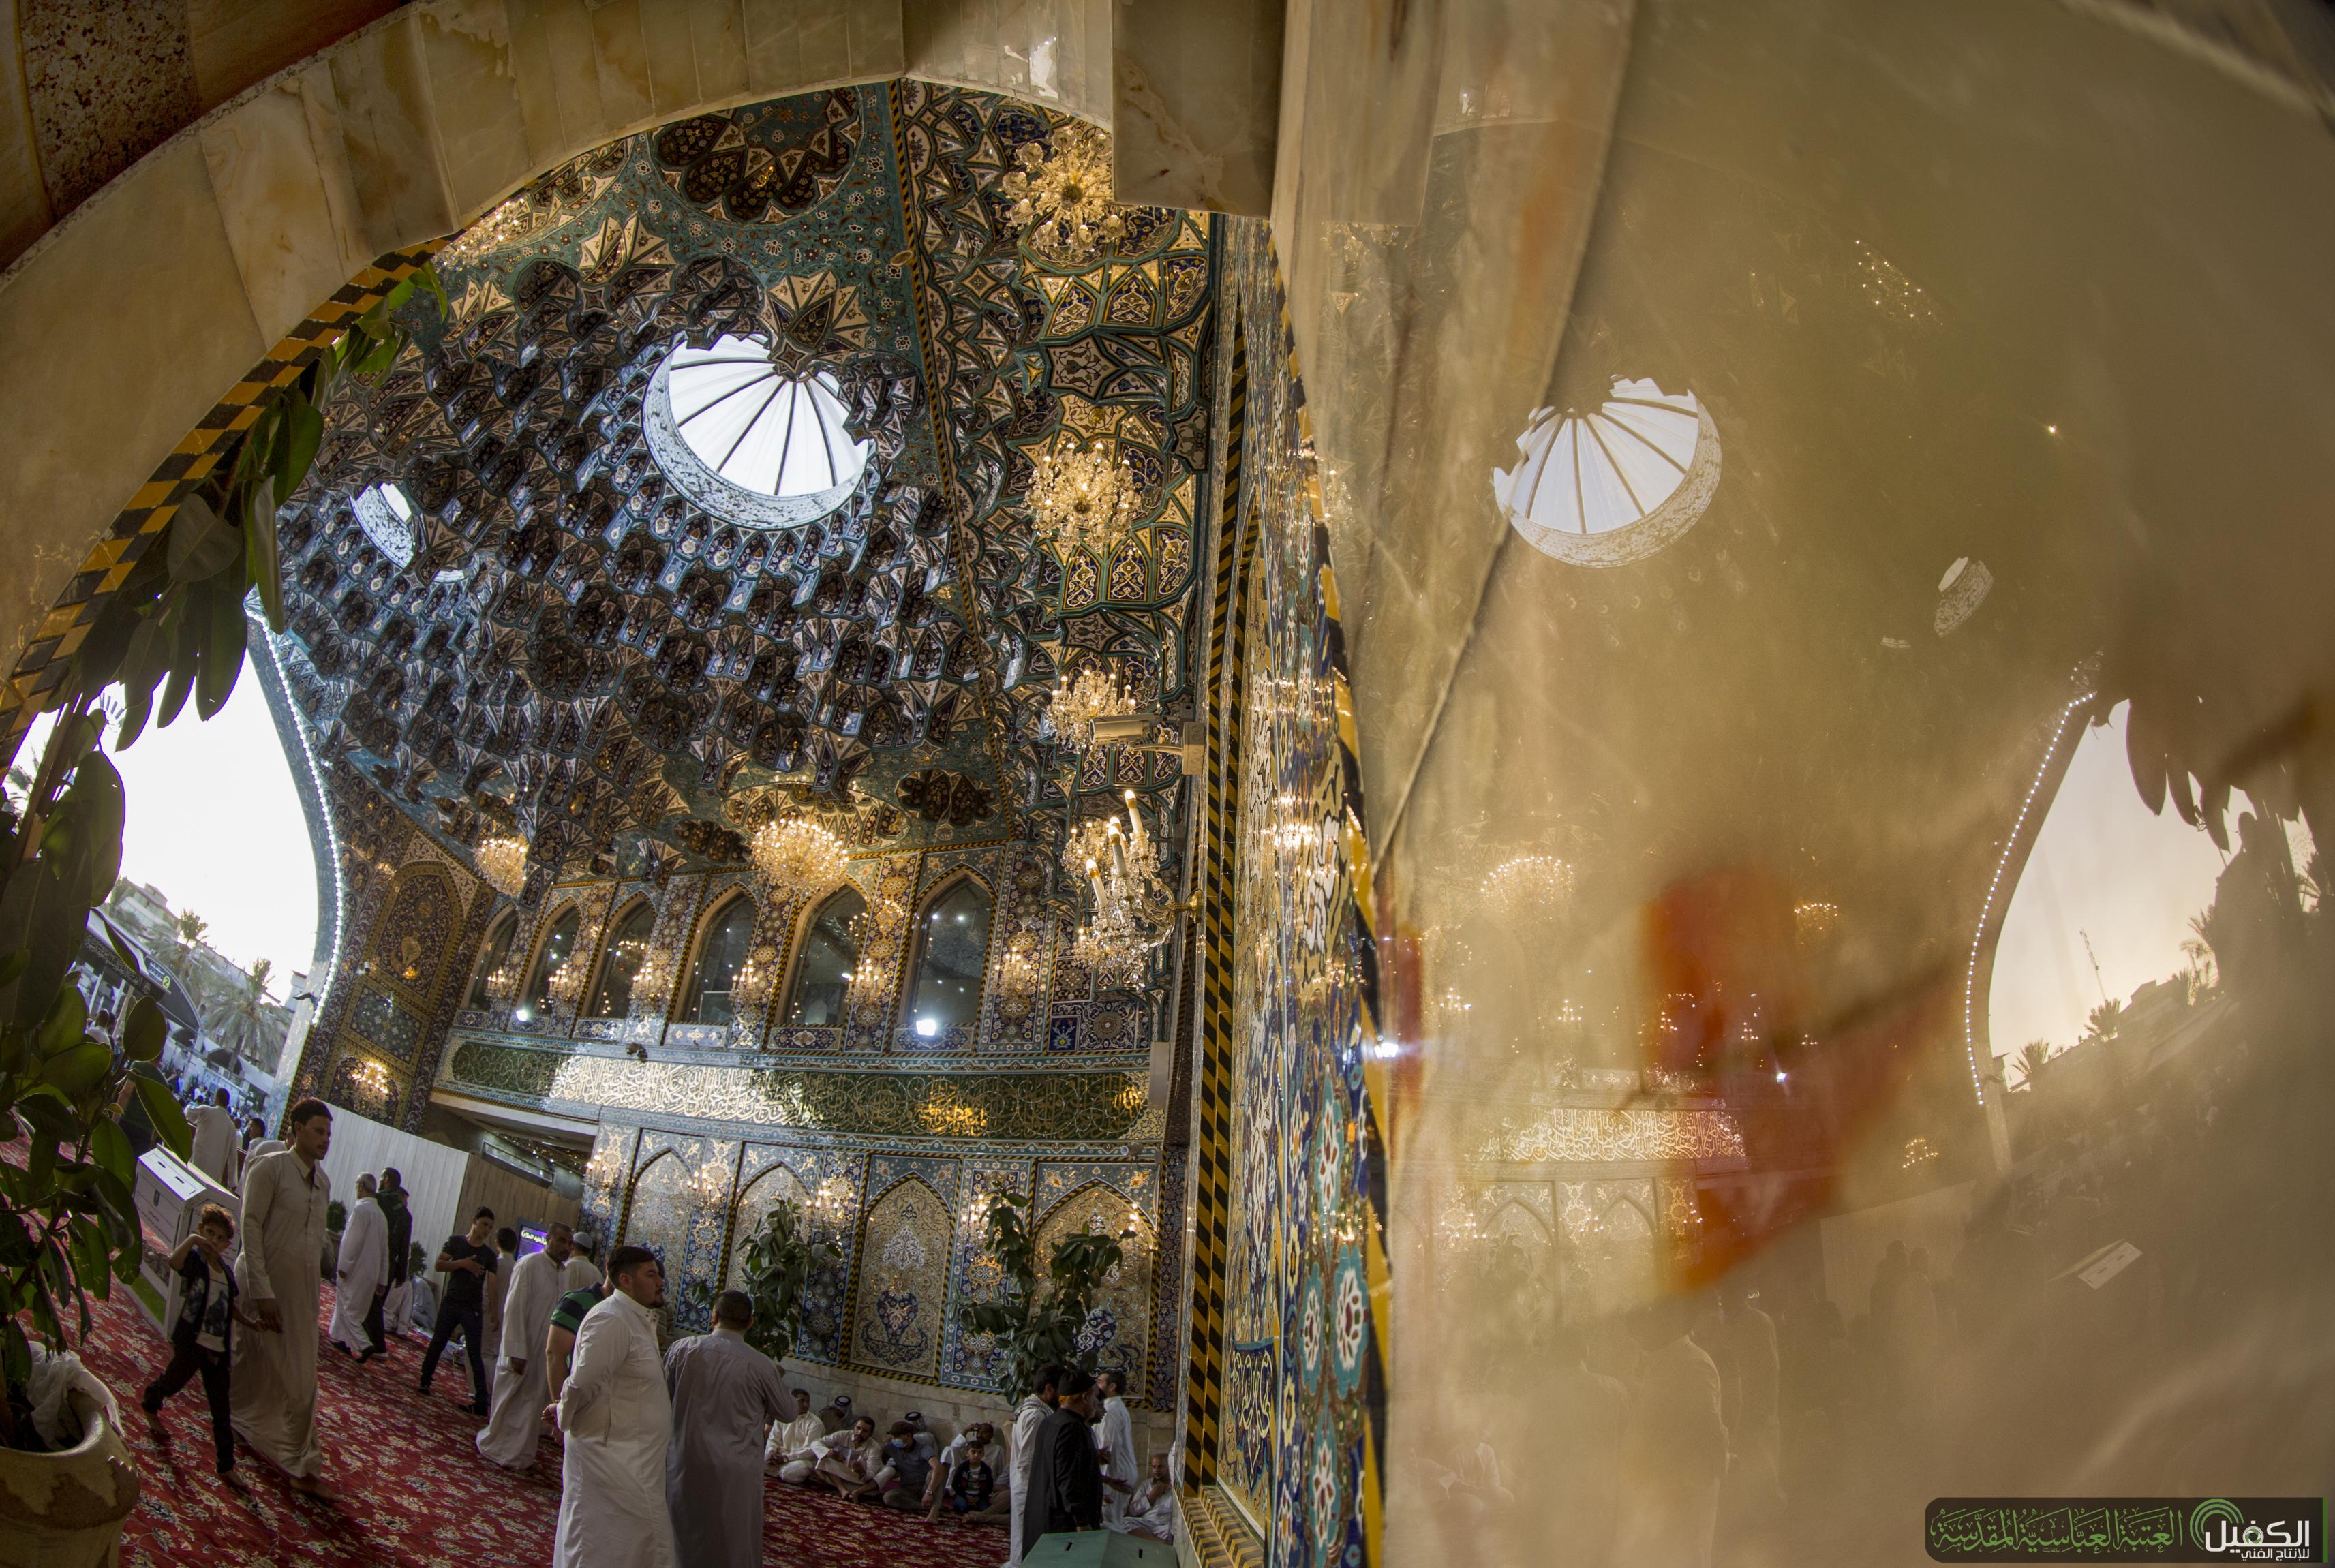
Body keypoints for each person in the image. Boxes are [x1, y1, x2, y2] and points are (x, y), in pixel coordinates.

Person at [230, 1098, 334, 1496]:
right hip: (263, 1286)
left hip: (301, 1294)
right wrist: (262, 1291)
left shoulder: (323, 1184)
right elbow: (250, 1228)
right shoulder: (269, 1168)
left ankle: (301, 1462)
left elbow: (314, 1242)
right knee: (254, 1363)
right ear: (297, 1129)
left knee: (302, 1376)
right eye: (318, 1131)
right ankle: (242, 1423)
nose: (325, 1140)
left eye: (328, 1134)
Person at [552, 1246, 677, 1568]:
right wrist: (562, 1411)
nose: (660, 1282)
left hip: (631, 1455)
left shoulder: (636, 1318)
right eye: (651, 1275)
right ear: (626, 1280)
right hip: (608, 1455)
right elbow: (583, 1382)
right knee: (600, 1541)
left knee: (636, 1541)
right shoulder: (611, 1318)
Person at [664, 1289, 791, 1568]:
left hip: (686, 1456)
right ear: (751, 1322)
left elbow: (664, 1397)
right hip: (735, 1468)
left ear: (713, 1316)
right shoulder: (760, 1364)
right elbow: (788, 1411)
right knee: (732, 1539)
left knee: (684, 1530)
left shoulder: (682, 1349)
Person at [140, 1203, 256, 1479]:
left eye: (220, 1238)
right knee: (173, 1382)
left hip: (217, 1349)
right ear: (202, 1230)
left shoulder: (226, 1273)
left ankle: (227, 1465)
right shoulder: (195, 1261)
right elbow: (174, 1262)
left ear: (227, 1245)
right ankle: (150, 1402)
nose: (213, 1241)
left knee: (221, 1408)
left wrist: (252, 1324)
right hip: (193, 1342)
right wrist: (193, 1240)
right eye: (210, 1233)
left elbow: (230, 1307)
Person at [1614, 1297, 1730, 1568]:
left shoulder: (1693, 1363)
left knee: (1691, 1552)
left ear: (1668, 1324)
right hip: (1666, 1479)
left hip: (1690, 1481)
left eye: (1651, 1320)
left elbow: (1706, 1425)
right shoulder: (1662, 1361)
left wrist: (1719, 1458)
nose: (1644, 1329)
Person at [478, 1220, 601, 1471]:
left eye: (569, 1243)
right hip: (523, 1347)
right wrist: (516, 1350)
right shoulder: (529, 1264)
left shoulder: (563, 1273)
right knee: (512, 1401)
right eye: (561, 1240)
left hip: (544, 1351)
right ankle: (499, 1448)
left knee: (532, 1404)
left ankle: (521, 1454)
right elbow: (514, 1308)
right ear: (548, 1239)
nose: (566, 1247)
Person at [419, 1208, 499, 1416]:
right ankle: (425, 1380)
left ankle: (481, 1401)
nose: (487, 1230)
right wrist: (463, 1264)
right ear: (474, 1221)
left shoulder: (489, 1256)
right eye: (484, 1224)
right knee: (438, 1342)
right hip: (452, 1302)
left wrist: (494, 1312)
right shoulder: (456, 1242)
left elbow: (492, 1285)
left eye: (490, 1227)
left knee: (474, 1353)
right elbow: (439, 1264)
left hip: (472, 1307)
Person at [1022, 1367, 1105, 1546]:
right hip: (1064, 1525)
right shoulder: (1072, 1428)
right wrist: (1082, 1522)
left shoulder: (1051, 1421)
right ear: (1085, 1397)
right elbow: (1069, 1479)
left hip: (1045, 1516)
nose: (1096, 1403)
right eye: (1095, 1397)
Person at [1008, 1362, 1065, 1565]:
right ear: (1049, 1388)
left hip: (1030, 1489)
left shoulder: (1037, 1411)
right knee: (1026, 1543)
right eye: (1061, 1391)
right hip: (1029, 1490)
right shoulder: (1035, 1415)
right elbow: (1027, 1462)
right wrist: (1039, 1494)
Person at [327, 1173, 388, 1362]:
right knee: (352, 1308)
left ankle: (364, 1344)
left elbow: (351, 1242)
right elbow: (385, 1251)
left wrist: (343, 1266)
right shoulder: (381, 1215)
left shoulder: (361, 1210)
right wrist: (382, 1279)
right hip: (371, 1272)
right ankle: (343, 1341)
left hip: (355, 1268)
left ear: (361, 1186)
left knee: (348, 1308)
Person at [547, 1272, 613, 1402]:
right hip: (584, 1400)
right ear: (607, 1266)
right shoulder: (576, 1301)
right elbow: (555, 1354)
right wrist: (561, 1406)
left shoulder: (640, 1308)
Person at [369, 1170, 414, 1349]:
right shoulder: (406, 1216)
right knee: (377, 1304)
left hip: (371, 1257)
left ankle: (376, 1345)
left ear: (386, 1180)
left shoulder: (377, 1201)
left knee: (365, 1302)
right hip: (389, 1265)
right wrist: (401, 1274)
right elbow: (404, 1248)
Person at [925, 1419, 1001, 1520]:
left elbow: (1001, 1471)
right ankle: (946, 1488)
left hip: (983, 1488)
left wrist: (984, 1494)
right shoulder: (970, 1446)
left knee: (984, 1507)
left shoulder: (998, 1450)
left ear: (991, 1435)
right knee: (949, 1449)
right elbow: (954, 1447)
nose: (980, 1435)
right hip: (965, 1487)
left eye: (984, 1433)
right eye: (978, 1432)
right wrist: (966, 1430)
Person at [1094, 1368, 1138, 1528]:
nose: (1096, 1385)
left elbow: (1109, 1450)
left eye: (1100, 1382)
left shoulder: (1110, 1410)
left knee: (1110, 1524)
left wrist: (1106, 1486)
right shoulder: (1114, 1407)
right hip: (1118, 1473)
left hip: (1116, 1475)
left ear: (1112, 1387)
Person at [810, 1415, 883, 1501]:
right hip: (840, 1472)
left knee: (889, 1471)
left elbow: (872, 1473)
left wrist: (861, 1471)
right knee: (824, 1457)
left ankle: (857, 1492)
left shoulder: (875, 1447)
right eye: (858, 1428)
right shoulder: (843, 1435)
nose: (860, 1433)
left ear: (871, 1434)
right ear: (854, 1427)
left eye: (865, 1431)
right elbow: (816, 1442)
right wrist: (828, 1452)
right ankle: (842, 1489)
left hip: (860, 1479)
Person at [481, 1225, 520, 1368]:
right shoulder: (519, 1268)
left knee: (482, 1355)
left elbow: (485, 1293)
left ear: (496, 1242)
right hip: (508, 1320)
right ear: (515, 1246)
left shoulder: (494, 1265)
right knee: (498, 1360)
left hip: (489, 1316)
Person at [765, 1387, 824, 1476]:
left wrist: (786, 1458)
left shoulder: (815, 1423)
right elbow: (773, 1439)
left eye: (808, 1402)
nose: (806, 1405)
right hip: (781, 1455)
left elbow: (811, 1451)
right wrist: (772, 1452)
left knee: (788, 1473)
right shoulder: (783, 1416)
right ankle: (777, 1471)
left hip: (801, 1461)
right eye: (802, 1401)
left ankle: (777, 1472)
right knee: (759, 1461)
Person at [187, 1088, 239, 1188]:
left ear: (216, 1098)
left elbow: (189, 1113)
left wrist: (190, 1105)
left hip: (196, 1165)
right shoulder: (231, 1126)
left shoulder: (206, 1110)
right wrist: (232, 1183)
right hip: (214, 1176)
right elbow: (233, 1156)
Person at [876, 1419, 933, 1511]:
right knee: (888, 1497)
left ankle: (933, 1505)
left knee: (934, 1473)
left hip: (925, 1487)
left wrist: (929, 1492)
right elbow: (880, 1463)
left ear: (909, 1436)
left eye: (897, 1437)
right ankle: (922, 1506)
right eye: (893, 1437)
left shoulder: (923, 1448)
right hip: (908, 1489)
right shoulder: (891, 1447)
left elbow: (938, 1468)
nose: (894, 1439)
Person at [1122, 1454, 1176, 1543]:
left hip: (1164, 1527)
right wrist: (1152, 1496)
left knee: (1175, 1534)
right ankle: (1159, 1542)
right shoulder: (1145, 1485)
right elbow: (1133, 1511)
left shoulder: (1176, 1488)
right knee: (1121, 1522)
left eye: (1160, 1467)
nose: (1156, 1470)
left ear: (1170, 1467)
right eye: (1154, 1467)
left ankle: (1151, 1540)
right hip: (1146, 1524)